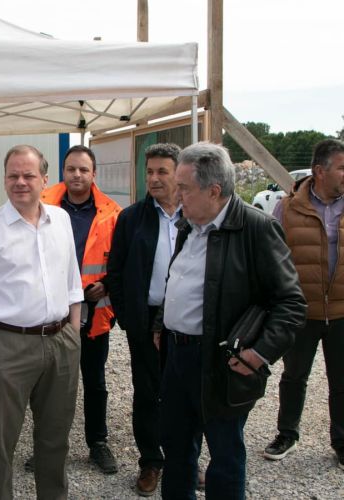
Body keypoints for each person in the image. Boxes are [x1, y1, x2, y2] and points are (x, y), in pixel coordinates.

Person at [154, 142, 306, 499]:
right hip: (177, 357)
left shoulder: (256, 228)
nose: (177, 195)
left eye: (184, 188)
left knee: (224, 455)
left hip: (222, 361)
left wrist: (258, 353)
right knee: (176, 447)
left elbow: (291, 302)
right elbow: (180, 280)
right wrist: (163, 323)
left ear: (214, 190)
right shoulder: (190, 224)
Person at [0, 144, 83, 500]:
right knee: (2, 442)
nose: (20, 182)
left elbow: (72, 281)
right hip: (9, 345)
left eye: (28, 175)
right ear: (4, 179)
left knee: (55, 437)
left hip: (61, 341)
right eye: (12, 175)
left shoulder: (60, 220)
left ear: (45, 179)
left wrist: (73, 334)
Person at [264, 138, 344, 470]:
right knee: (294, 375)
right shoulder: (287, 208)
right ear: (320, 171)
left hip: (342, 311)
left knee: (342, 380)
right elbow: (273, 257)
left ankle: (341, 441)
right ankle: (287, 434)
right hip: (301, 310)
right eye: (342, 167)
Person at [40, 145, 121, 474]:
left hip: (93, 314)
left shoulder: (111, 213)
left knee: (95, 382)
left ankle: (97, 443)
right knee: (51, 384)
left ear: (93, 174)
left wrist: (108, 284)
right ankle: (48, 445)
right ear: (63, 171)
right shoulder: (42, 205)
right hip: (51, 313)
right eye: (71, 168)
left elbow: (122, 260)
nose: (77, 175)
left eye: (83, 169)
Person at [107, 143, 181, 495]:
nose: (153, 178)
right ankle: (151, 461)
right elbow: (116, 271)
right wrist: (128, 317)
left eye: (162, 171)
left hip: (185, 320)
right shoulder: (132, 218)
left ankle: (184, 458)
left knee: (184, 392)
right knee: (148, 393)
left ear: (180, 174)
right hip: (144, 319)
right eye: (149, 172)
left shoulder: (195, 214)